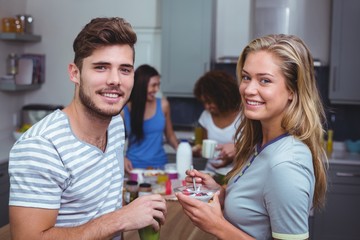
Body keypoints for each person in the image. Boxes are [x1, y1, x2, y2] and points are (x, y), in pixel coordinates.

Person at [8, 17, 166, 240]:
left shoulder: (116, 124)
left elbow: (105, 199)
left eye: (125, 69)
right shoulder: (41, 147)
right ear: (75, 73)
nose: (115, 80)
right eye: (101, 67)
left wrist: (132, 214)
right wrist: (122, 218)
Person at [176, 34, 328, 240]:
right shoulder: (262, 145)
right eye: (247, 77)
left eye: (264, 80)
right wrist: (220, 192)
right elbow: (256, 209)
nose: (248, 89)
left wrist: (217, 226)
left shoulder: (286, 165)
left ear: (292, 90)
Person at [123, 64, 178, 171]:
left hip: (160, 166)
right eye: (153, 85)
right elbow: (113, 142)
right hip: (133, 168)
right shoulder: (124, 110)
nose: (157, 89)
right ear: (141, 85)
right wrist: (122, 158)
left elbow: (170, 135)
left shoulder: (163, 105)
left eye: (158, 85)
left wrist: (182, 150)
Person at [193, 70, 241, 172]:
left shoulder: (244, 117)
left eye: (210, 102)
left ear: (224, 97)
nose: (207, 106)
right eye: (204, 102)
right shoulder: (205, 116)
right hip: (210, 173)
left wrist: (233, 155)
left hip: (236, 175)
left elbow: (254, 151)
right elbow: (203, 146)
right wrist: (198, 150)